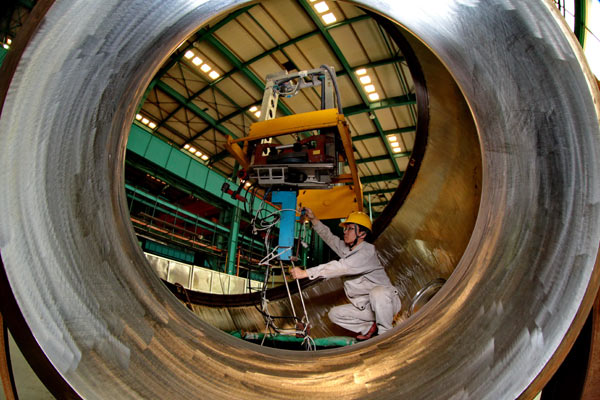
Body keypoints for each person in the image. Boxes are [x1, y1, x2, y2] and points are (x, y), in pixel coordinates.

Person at [290, 208, 401, 340]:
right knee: (335, 314)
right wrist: (314, 219)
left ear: (362, 234)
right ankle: (369, 328)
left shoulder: (366, 252)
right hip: (367, 309)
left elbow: (341, 267)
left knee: (377, 292)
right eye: (345, 228)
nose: (345, 232)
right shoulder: (348, 250)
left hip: (386, 303)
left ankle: (385, 334)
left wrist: (306, 273)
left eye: (350, 229)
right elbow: (329, 238)